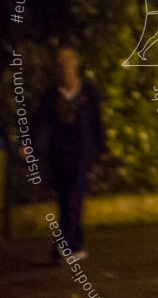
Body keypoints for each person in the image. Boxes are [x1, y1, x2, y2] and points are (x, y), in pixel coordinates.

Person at [34, 47, 107, 260]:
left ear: (76, 63)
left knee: (75, 196)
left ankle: (62, 243)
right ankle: (77, 246)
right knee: (65, 198)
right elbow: (40, 120)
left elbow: (96, 120)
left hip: (81, 152)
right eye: (60, 62)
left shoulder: (88, 91)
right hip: (58, 152)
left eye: (67, 60)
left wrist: (101, 147)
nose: (64, 65)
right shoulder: (52, 94)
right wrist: (27, 143)